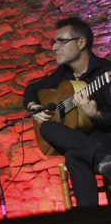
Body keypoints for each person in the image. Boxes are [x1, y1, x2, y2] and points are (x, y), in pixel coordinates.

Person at [24, 17, 111, 207]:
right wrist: (33, 107)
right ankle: (100, 157)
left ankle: (86, 221)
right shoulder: (63, 74)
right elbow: (32, 89)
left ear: (81, 42)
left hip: (106, 136)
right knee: (46, 127)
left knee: (74, 155)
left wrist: (97, 117)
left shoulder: (106, 73)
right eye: (53, 42)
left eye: (61, 41)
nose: (55, 47)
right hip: (87, 143)